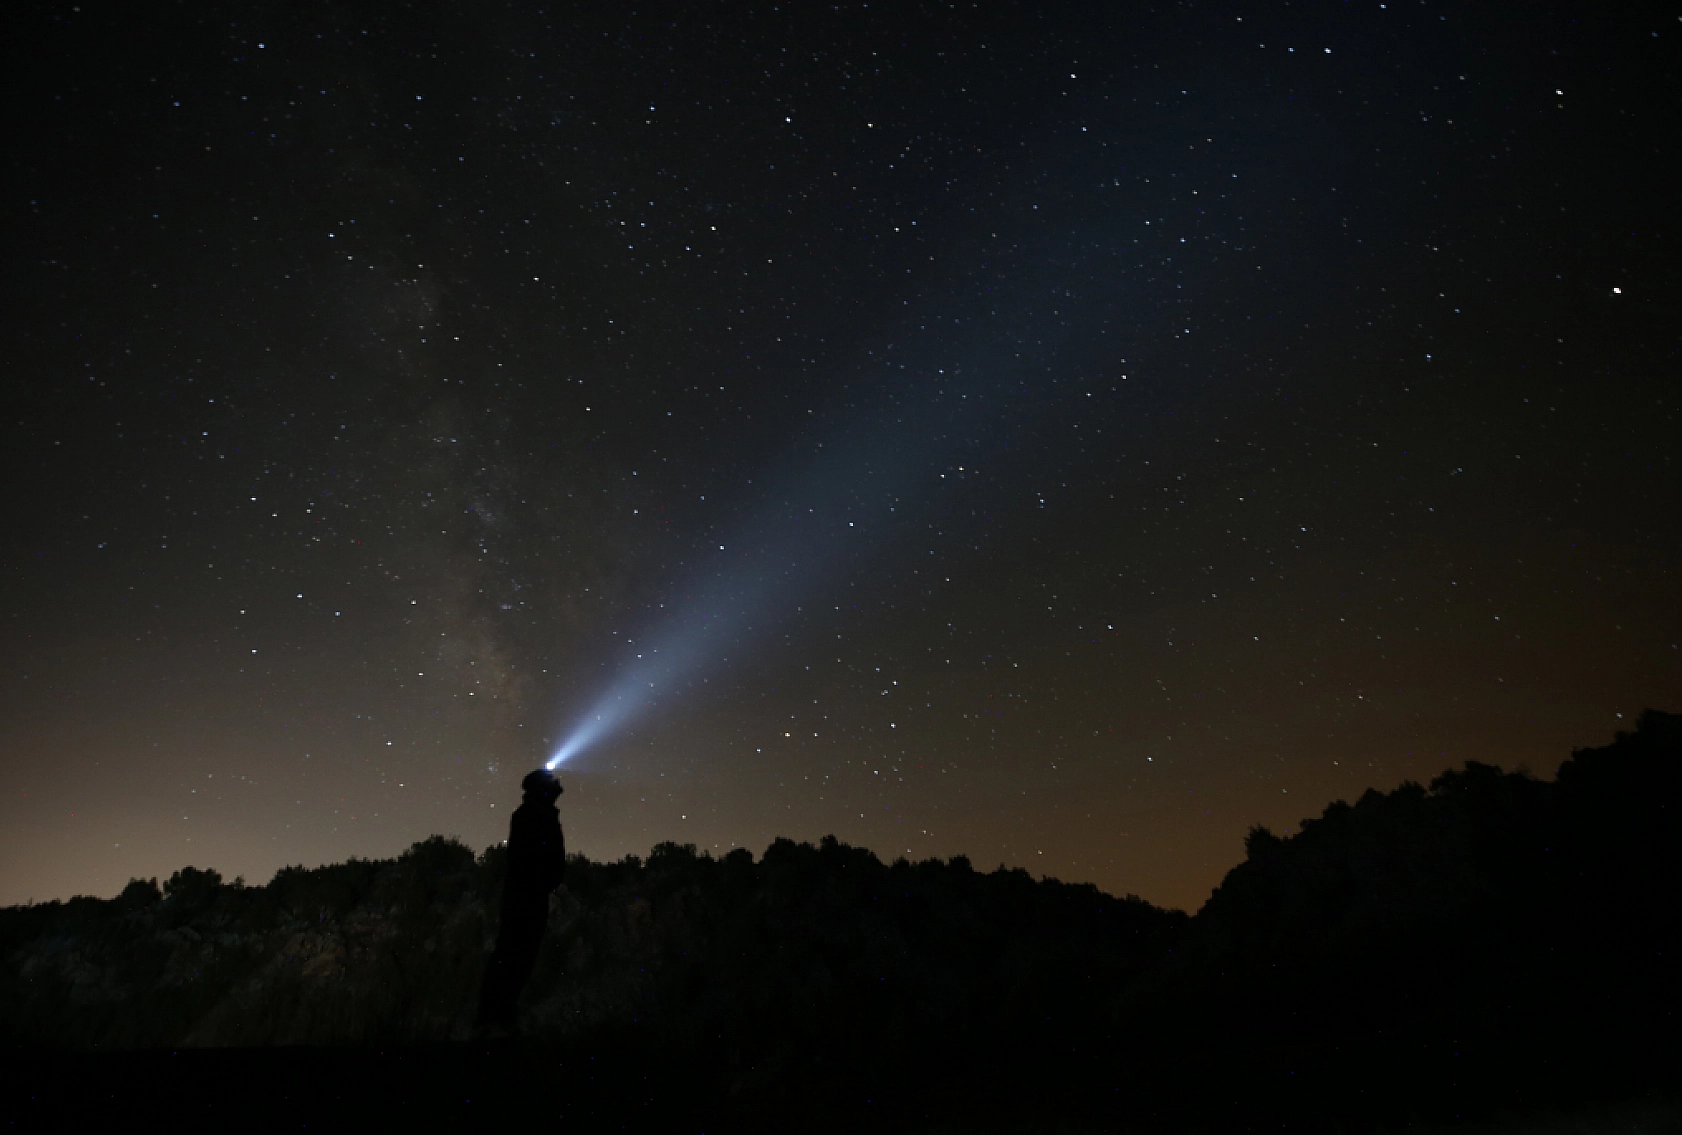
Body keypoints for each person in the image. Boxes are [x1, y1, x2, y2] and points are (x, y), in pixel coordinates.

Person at [477, 768, 567, 1035]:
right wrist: (543, 883)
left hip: (528, 896)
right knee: (514, 957)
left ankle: (497, 1018)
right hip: (526, 898)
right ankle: (493, 1020)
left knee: (516, 957)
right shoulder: (531, 816)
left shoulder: (536, 814)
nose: (557, 783)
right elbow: (529, 859)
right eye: (551, 781)